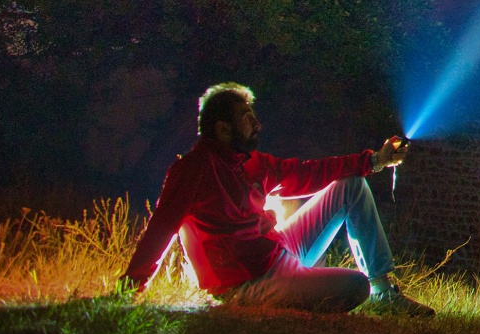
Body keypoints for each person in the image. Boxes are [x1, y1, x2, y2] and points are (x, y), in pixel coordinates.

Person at [122, 82, 432, 315]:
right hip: (248, 284)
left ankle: (384, 291)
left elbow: (306, 173)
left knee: (351, 186)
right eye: (247, 118)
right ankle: (353, 288)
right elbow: (160, 229)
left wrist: (376, 160)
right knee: (354, 286)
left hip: (279, 249)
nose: (257, 125)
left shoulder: (249, 161)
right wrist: (129, 290)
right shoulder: (191, 170)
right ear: (223, 129)